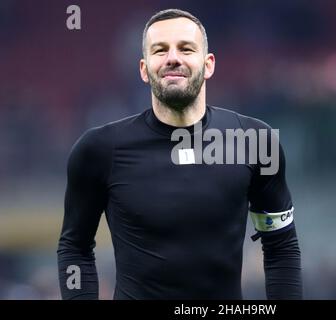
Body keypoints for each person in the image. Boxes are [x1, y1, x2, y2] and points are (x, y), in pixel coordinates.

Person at [57, 8, 302, 300]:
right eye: (160, 50)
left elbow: (281, 247)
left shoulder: (256, 141)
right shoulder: (98, 149)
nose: (173, 57)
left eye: (186, 48)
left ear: (208, 64)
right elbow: (75, 248)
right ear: (144, 69)